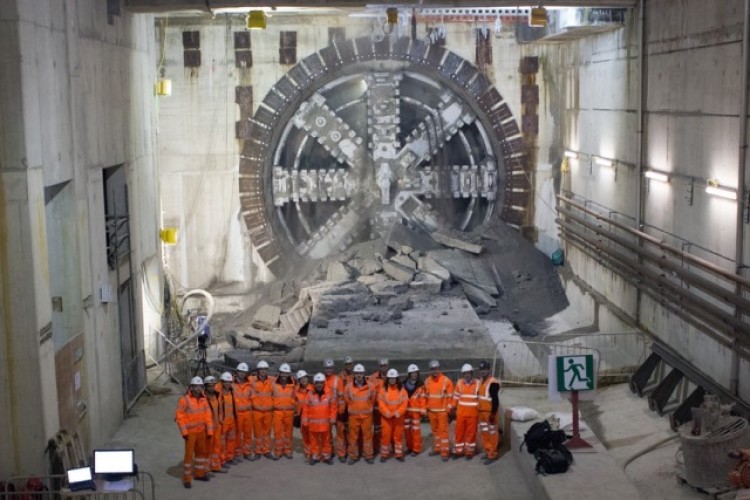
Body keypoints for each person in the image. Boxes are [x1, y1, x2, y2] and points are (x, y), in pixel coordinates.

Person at [175, 376, 214, 488]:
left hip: (201, 431)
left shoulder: (204, 399)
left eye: (199, 386)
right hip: (190, 433)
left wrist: (209, 431)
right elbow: (179, 417)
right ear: (191, 387)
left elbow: (208, 416)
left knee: (201, 454)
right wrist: (184, 433)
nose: (197, 389)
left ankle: (199, 473)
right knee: (188, 456)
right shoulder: (184, 400)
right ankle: (187, 478)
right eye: (195, 386)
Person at [344, 363, 376, 464]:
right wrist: (353, 407)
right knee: (353, 437)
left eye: (360, 373)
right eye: (357, 373)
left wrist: (367, 406)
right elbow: (347, 399)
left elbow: (373, 399)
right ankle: (353, 456)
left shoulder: (370, 386)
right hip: (354, 417)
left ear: (363, 374)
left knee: (368, 437)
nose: (359, 375)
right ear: (354, 374)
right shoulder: (348, 387)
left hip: (367, 416)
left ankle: (368, 455)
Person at [303, 373, 337, 465]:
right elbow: (306, 408)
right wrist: (305, 421)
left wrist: (333, 418)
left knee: (326, 440)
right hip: (313, 424)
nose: (319, 385)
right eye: (317, 383)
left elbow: (333, 407)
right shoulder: (309, 394)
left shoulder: (329, 393)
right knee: (314, 441)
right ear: (314, 383)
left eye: (321, 383)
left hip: (325, 424)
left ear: (323, 383)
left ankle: (326, 457)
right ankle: (315, 456)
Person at [424, 359, 453, 461]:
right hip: (432, 411)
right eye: (432, 369)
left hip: (442, 412)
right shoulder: (427, 381)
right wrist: (426, 408)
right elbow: (425, 396)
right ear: (430, 370)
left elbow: (451, 397)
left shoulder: (446, 380)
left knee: (443, 432)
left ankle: (445, 452)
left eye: (436, 369)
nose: (434, 371)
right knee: (435, 432)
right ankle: (437, 448)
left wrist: (448, 410)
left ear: (439, 369)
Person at [378, 368, 408, 462]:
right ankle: (384, 454)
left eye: (393, 378)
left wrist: (397, 413)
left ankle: (398, 454)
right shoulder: (382, 390)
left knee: (398, 436)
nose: (392, 380)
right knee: (385, 436)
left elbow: (404, 403)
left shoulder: (402, 390)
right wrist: (388, 414)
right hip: (386, 418)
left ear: (396, 378)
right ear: (387, 379)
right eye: (390, 378)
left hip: (398, 417)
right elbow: (380, 404)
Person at [452, 363, 480, 460]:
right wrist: (452, 407)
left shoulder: (478, 383)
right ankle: (458, 451)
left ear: (472, 373)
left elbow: (481, 399)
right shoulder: (459, 383)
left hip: (473, 415)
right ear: (462, 374)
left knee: (471, 434)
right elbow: (455, 397)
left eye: (468, 373)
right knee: (459, 433)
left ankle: (469, 452)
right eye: (465, 373)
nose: (467, 375)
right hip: (461, 414)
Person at [203, 376, 228, 474]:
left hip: (217, 426)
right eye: (210, 386)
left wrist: (221, 421)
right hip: (207, 428)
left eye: (213, 385)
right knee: (207, 449)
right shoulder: (202, 398)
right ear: (205, 386)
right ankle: (206, 468)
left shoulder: (217, 395)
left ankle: (216, 466)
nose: (212, 388)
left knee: (217, 447)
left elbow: (220, 409)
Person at [477, 360, 501, 464]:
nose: (483, 371)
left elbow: (495, 399)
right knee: (485, 433)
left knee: (492, 433)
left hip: (489, 413)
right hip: (482, 412)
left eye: (485, 369)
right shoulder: (482, 381)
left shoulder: (493, 383)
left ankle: (492, 454)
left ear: (489, 370)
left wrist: (492, 413)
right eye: (481, 369)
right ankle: (487, 451)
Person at [324, 358, 347, 462]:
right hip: (325, 412)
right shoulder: (321, 380)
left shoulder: (338, 380)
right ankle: (329, 453)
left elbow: (342, 398)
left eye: (330, 368)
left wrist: (341, 411)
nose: (329, 370)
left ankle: (341, 453)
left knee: (340, 433)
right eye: (327, 368)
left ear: (333, 368)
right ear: (324, 368)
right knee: (327, 434)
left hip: (337, 411)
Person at [251, 360, 275, 459]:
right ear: (258, 370)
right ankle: (258, 450)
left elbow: (285, 378)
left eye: (265, 369)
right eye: (261, 369)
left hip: (268, 411)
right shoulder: (252, 380)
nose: (263, 371)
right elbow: (239, 378)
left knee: (267, 432)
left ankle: (266, 450)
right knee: (257, 432)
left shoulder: (272, 380)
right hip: (256, 411)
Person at [272, 363, 296, 459]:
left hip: (289, 411)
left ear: (289, 374)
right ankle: (278, 451)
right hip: (277, 411)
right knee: (278, 432)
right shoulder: (273, 383)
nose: (284, 375)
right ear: (279, 372)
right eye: (283, 373)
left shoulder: (293, 383)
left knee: (288, 432)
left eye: (286, 373)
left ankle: (288, 450)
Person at [233, 363, 255, 461]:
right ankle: (238, 453)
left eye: (244, 372)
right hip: (237, 413)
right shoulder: (231, 383)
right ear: (237, 372)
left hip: (247, 412)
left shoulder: (249, 384)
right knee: (237, 434)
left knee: (248, 434)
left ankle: (247, 452)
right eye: (240, 371)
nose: (242, 374)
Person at [404, 364, 427, 456]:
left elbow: (423, 399)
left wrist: (423, 410)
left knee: (416, 431)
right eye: (412, 373)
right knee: (407, 431)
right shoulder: (403, 384)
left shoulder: (421, 385)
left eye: (415, 373)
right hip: (406, 412)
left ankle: (416, 449)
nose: (414, 375)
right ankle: (410, 447)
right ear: (409, 374)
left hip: (416, 412)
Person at [369, 358, 389, 451]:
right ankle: (376, 447)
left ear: (387, 366)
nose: (383, 368)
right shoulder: (373, 378)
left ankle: (387, 447)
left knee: (387, 429)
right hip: (376, 409)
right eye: (381, 366)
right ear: (379, 367)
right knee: (377, 429)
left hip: (388, 408)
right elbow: (368, 392)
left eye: (385, 366)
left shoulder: (392, 376)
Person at [219, 372, 237, 465]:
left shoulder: (232, 392)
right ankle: (222, 460)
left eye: (229, 382)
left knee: (231, 440)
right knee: (222, 442)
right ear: (222, 382)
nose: (227, 384)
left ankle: (230, 457)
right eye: (225, 382)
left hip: (231, 421)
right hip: (222, 421)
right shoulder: (218, 393)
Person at [294, 370, 312, 459]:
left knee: (312, 435)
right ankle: (308, 452)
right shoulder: (297, 391)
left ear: (307, 378)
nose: (303, 380)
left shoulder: (313, 389)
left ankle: (314, 452)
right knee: (305, 435)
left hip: (312, 416)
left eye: (304, 378)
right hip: (301, 417)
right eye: (301, 379)